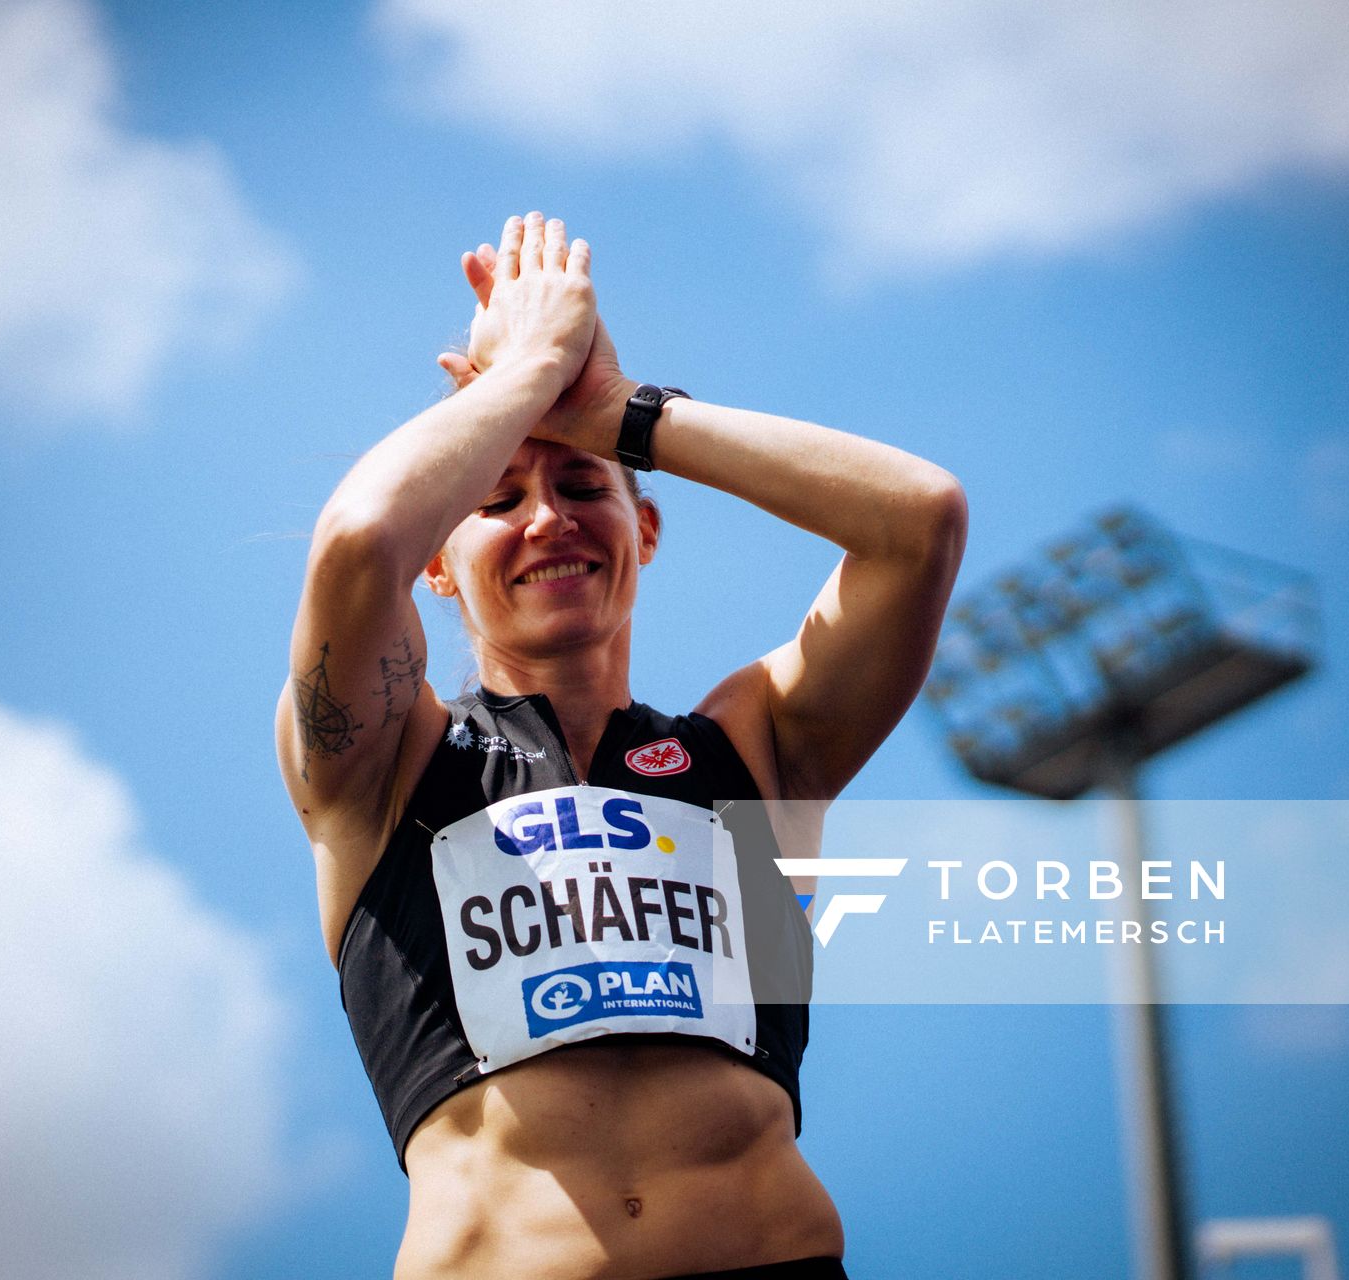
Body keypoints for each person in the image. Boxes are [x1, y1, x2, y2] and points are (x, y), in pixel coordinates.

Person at [276, 212, 966, 1279]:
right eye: (498, 498)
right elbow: (362, 540)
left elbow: (920, 519)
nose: (548, 518)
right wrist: (532, 372)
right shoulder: (385, 766)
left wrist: (619, 413)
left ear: (644, 529)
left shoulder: (757, 747)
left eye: (585, 485)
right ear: (442, 569)